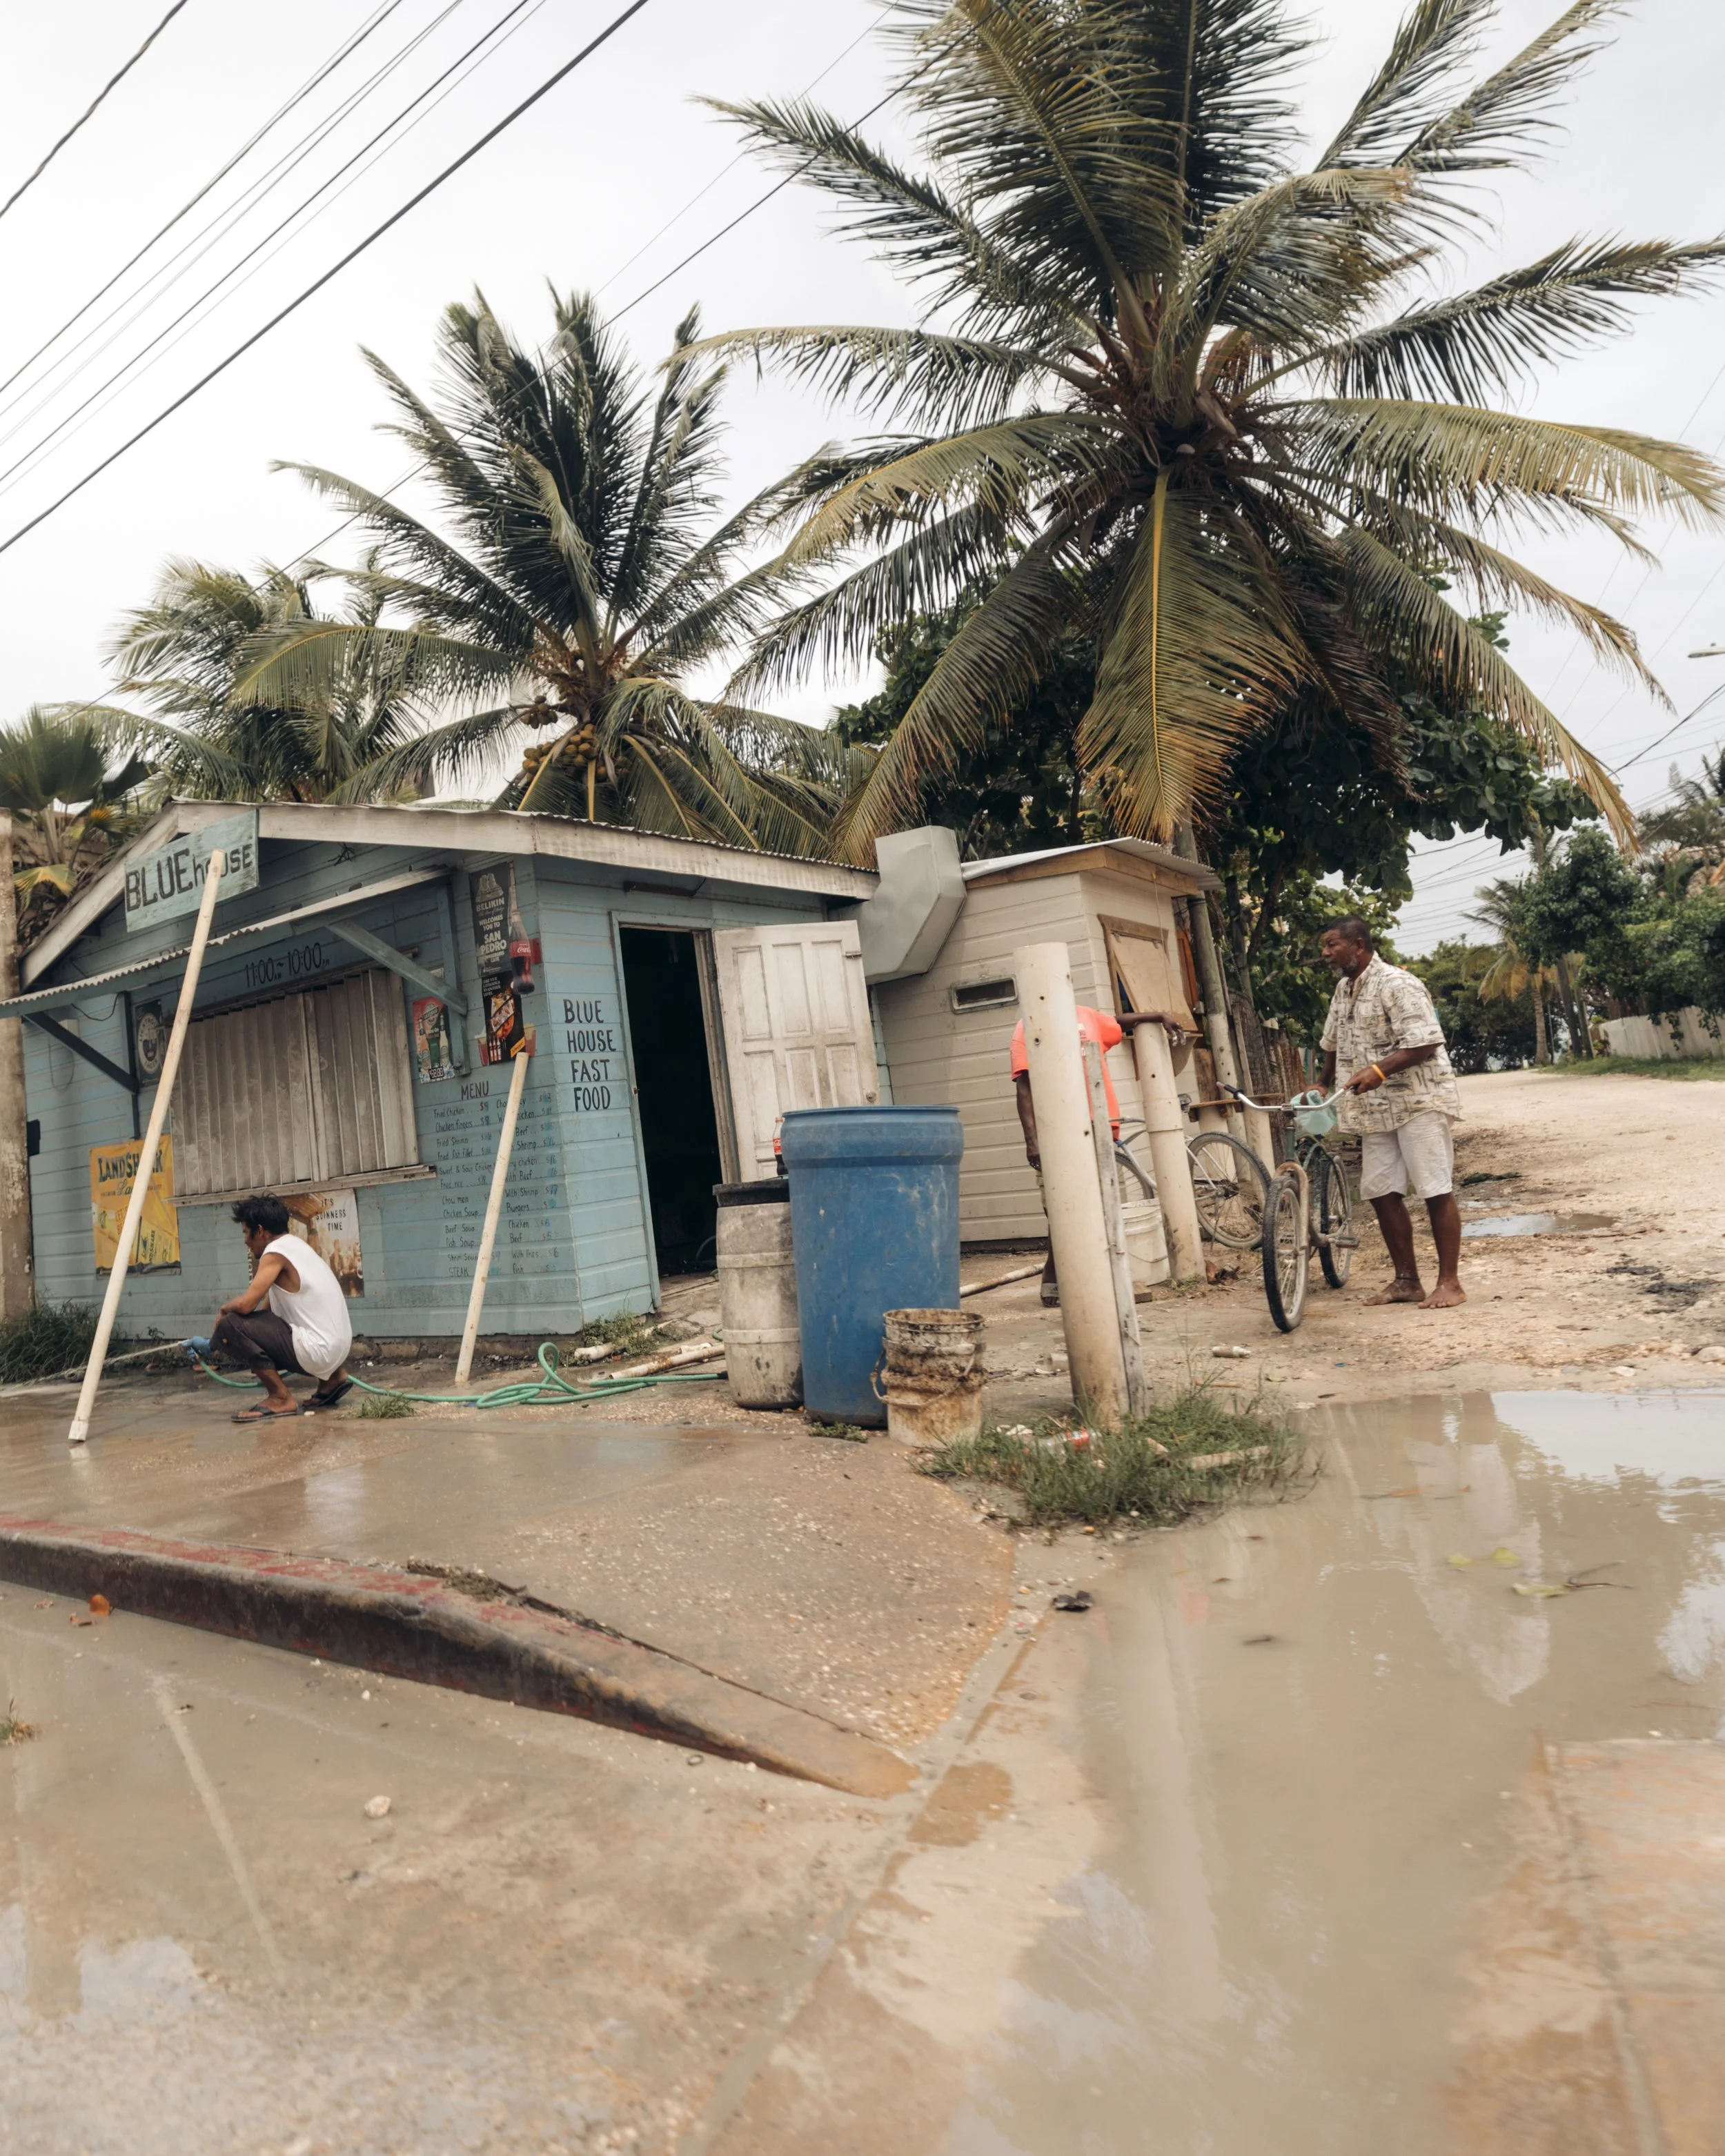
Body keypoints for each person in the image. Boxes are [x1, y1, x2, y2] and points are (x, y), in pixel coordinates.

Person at [1319, 917, 1466, 1310]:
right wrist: (1322, 1080)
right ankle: (1406, 1281)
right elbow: (1333, 1040)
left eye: (1332, 945)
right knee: (1381, 1191)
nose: (1326, 953)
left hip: (1419, 1102)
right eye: (1325, 946)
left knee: (1434, 1188)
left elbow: (1427, 1042)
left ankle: (1450, 1283)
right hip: (1374, 1109)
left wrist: (1380, 1070)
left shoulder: (1398, 984)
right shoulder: (1343, 989)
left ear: (1360, 945)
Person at [1012, 1002, 1185, 1305]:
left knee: (1098, 1206)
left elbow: (1117, 1022)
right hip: (1057, 1133)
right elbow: (1024, 1089)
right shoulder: (1026, 1027)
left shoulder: (1084, 1015)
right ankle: (1053, 1276)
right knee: (1059, 1208)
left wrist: (1156, 1016)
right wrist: (1032, 1140)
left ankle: (1098, 1277)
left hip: (1099, 1126)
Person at [209, 1194, 355, 1420]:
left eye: (246, 1233)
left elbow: (247, 1305)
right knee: (237, 1328)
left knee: (231, 1324)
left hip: (320, 1351)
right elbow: (267, 1317)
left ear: (260, 1231)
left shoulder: (275, 1252)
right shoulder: (297, 1246)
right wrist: (213, 1344)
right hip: (338, 1349)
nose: (246, 1241)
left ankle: (280, 1398)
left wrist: (223, 1311)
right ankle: (332, 1379)